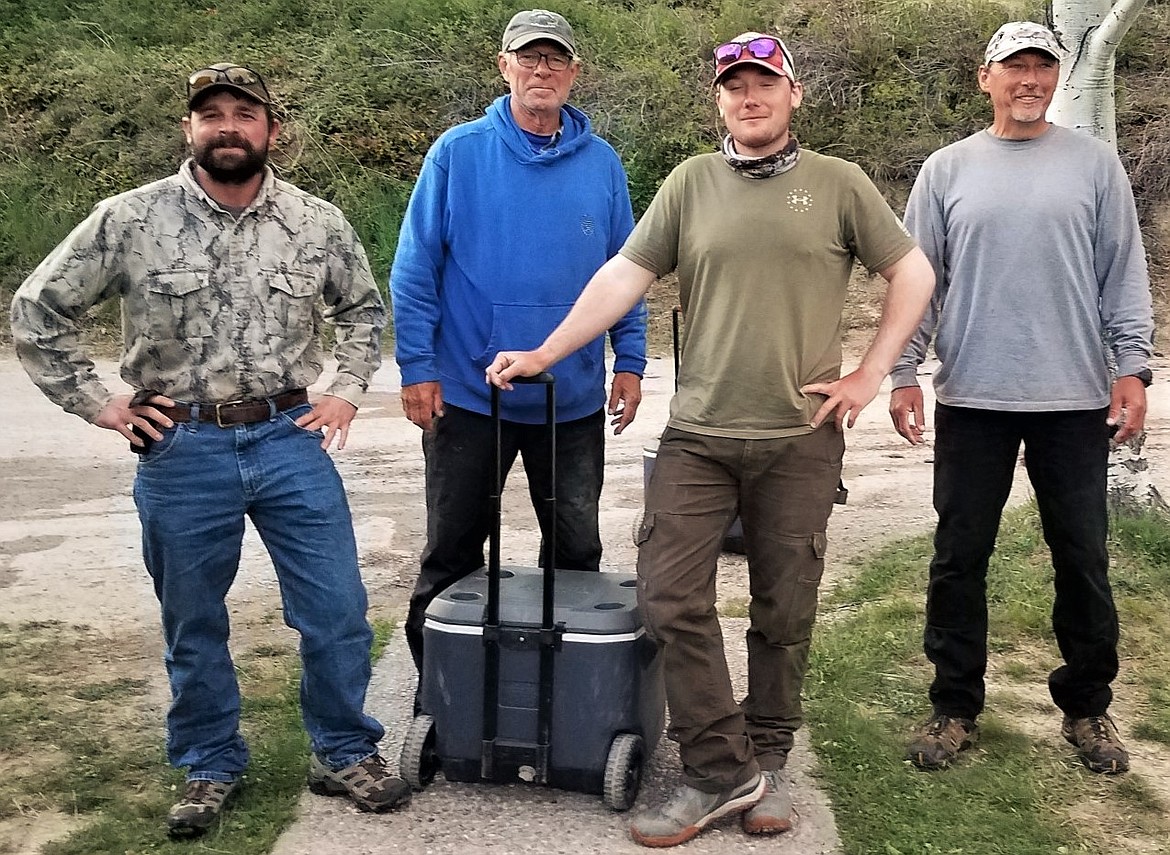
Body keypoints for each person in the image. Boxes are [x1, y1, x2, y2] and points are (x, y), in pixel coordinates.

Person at [488, 31, 935, 847]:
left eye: (764, 82)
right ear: (719, 99)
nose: (749, 97)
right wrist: (548, 350)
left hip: (800, 436)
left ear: (793, 94)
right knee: (667, 597)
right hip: (697, 435)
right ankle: (720, 769)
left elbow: (913, 272)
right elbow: (624, 276)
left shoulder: (840, 184)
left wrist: (873, 373)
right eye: (734, 86)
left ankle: (766, 757)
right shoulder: (690, 183)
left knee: (784, 606)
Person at [9, 63, 410, 835]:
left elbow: (364, 311)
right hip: (181, 447)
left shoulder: (315, 221)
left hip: (289, 437)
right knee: (193, 621)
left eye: (244, 114)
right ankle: (208, 762)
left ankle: (342, 749)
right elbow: (37, 311)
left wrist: (346, 389)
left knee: (337, 611)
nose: (228, 126)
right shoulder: (129, 219)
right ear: (190, 129)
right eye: (212, 114)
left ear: (270, 129)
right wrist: (100, 404)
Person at [889, 21, 1154, 776]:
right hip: (972, 395)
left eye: (1043, 66)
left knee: (1082, 556)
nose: (1030, 79)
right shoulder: (946, 170)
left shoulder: (1096, 167)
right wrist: (905, 371)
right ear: (987, 78)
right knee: (959, 557)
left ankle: (1087, 707)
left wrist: (1132, 366)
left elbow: (1122, 271)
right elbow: (918, 281)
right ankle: (954, 706)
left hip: (1073, 398)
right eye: (1015, 68)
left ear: (1057, 78)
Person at [389, 9, 646, 681]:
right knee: (452, 551)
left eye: (554, 59)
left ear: (574, 73)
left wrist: (633, 358)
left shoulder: (602, 163)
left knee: (576, 554)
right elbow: (416, 266)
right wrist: (417, 365)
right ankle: (443, 690)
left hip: (574, 398)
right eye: (527, 58)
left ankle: (565, 690)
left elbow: (628, 267)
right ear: (503, 66)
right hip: (472, 397)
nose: (541, 70)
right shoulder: (458, 151)